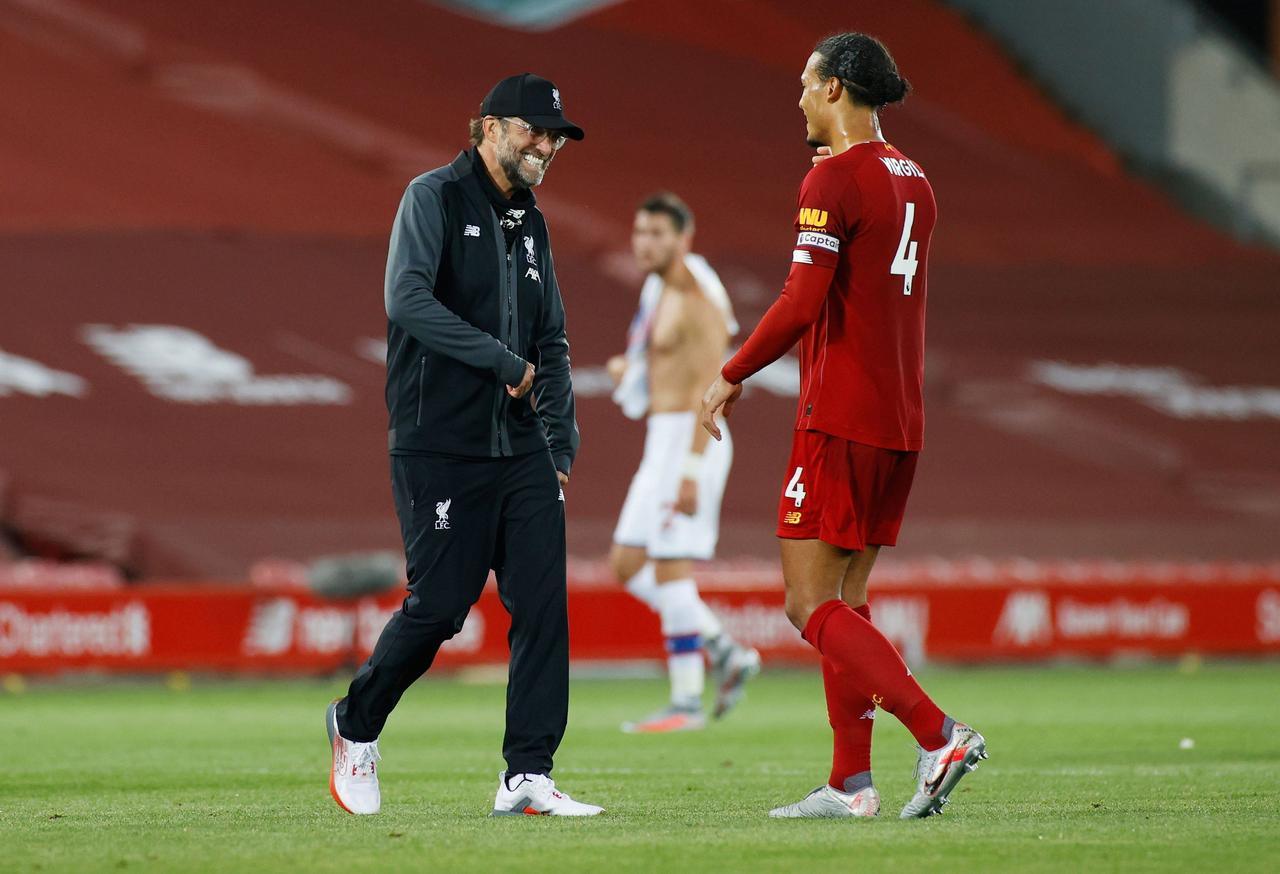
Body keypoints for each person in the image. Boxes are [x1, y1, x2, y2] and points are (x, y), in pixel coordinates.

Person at [699, 33, 987, 820]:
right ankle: (850, 782)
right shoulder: (917, 180)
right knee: (847, 602)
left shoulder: (832, 176)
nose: (796, 97)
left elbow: (800, 302)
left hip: (842, 414)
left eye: (804, 83)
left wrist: (729, 375)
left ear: (833, 89)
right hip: (900, 419)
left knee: (805, 604)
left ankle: (937, 733)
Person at [326, 73, 603, 818]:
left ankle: (527, 776)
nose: (547, 145)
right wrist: (500, 361)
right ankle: (355, 725)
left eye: (556, 136)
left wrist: (562, 442)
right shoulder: (433, 198)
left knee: (543, 606)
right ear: (486, 127)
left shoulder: (532, 222)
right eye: (533, 130)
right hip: (437, 444)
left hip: (522, 452)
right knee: (441, 606)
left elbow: (552, 338)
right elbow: (406, 299)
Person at [606, 192, 761, 734]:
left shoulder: (697, 298)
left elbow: (709, 385)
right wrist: (633, 367)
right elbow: (663, 359)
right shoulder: (657, 289)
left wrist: (693, 471)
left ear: (682, 239)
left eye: (657, 234)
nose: (644, 243)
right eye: (640, 232)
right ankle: (724, 649)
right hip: (660, 439)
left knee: (672, 567)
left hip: (692, 441)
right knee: (627, 563)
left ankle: (687, 702)